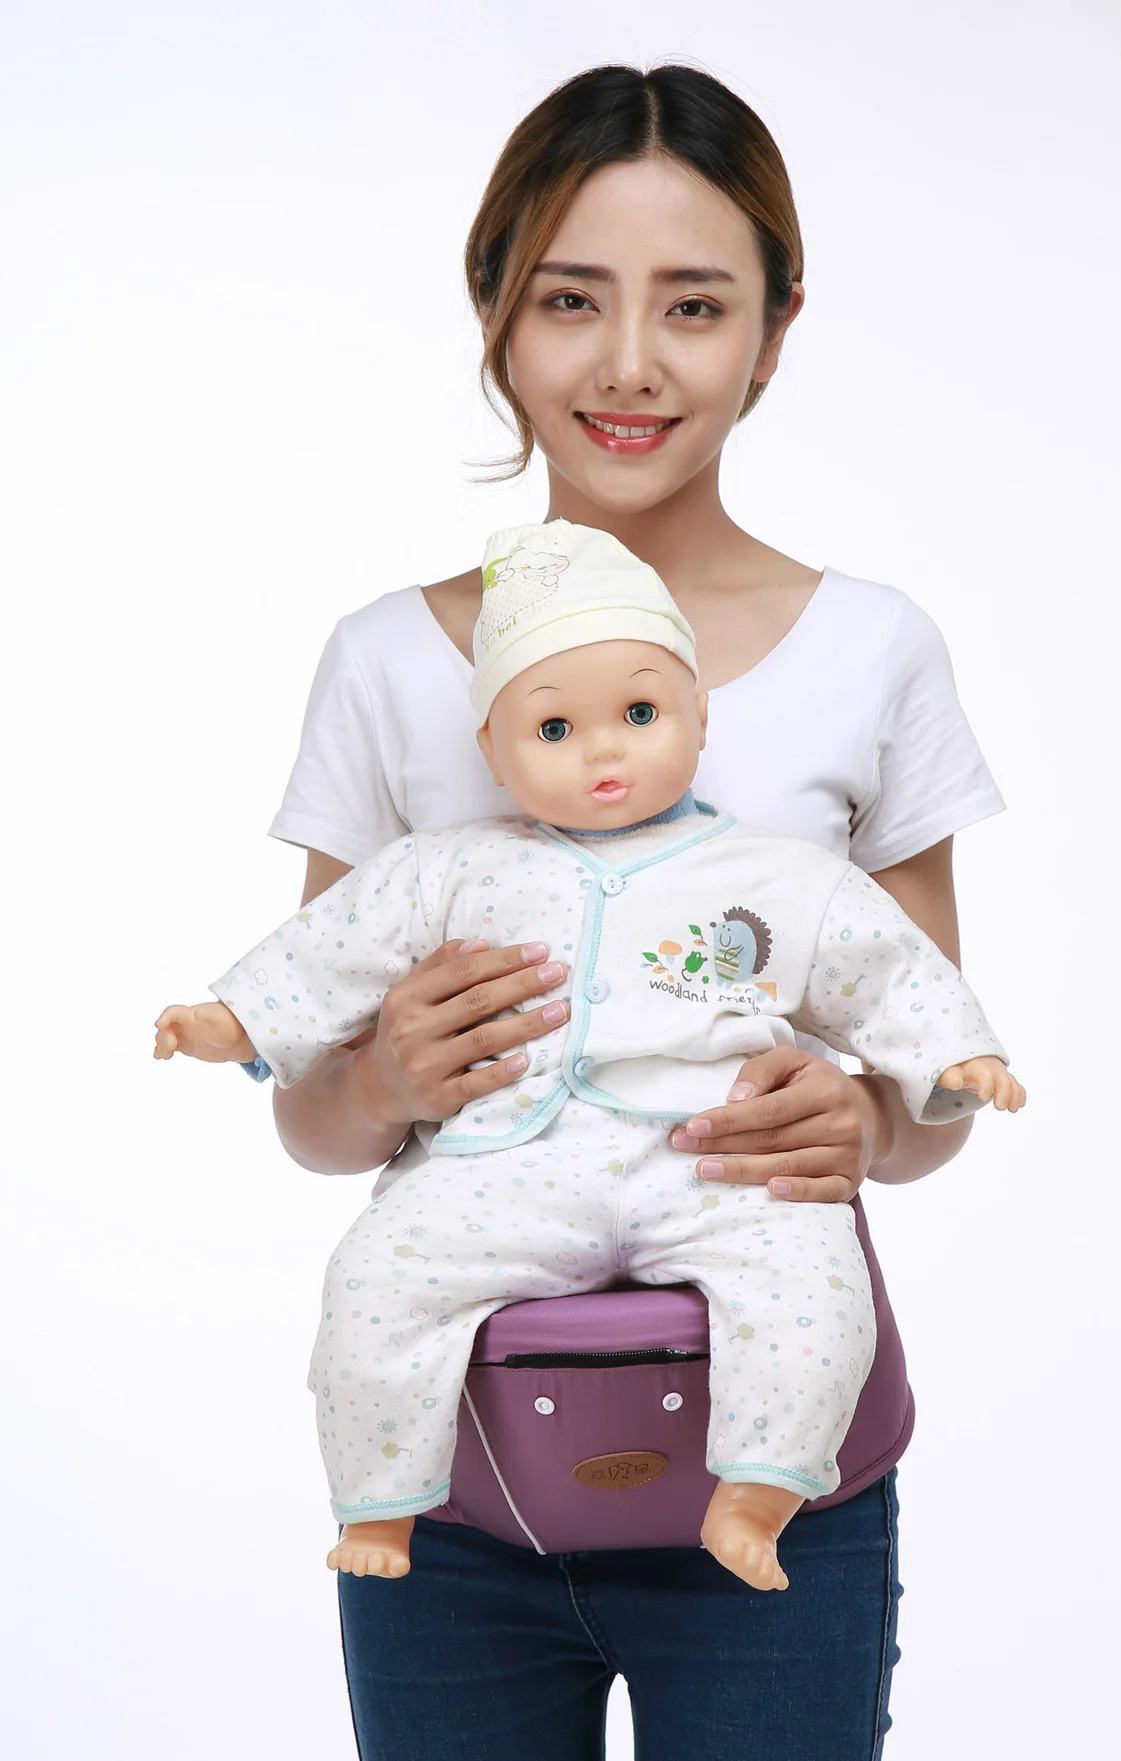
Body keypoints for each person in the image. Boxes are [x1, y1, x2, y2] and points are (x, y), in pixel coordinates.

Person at [218, 62, 1008, 1761]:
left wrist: (866, 1119)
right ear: (495, 310)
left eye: (695, 305)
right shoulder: (387, 662)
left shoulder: (873, 651)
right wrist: (386, 1077)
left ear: (775, 333)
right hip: (453, 1494)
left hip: (776, 1481)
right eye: (571, 299)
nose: (630, 363)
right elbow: (312, 1117)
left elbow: (932, 1088)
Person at [155, 520, 1021, 1595]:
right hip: (504, 1168)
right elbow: (332, 947)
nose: (604, 751)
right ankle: (380, 1499)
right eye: (555, 727)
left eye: (641, 714)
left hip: (716, 1162)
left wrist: (950, 1060)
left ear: (700, 715)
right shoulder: (446, 868)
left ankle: (759, 1488)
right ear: (493, 751)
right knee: (379, 1278)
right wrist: (236, 1019)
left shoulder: (777, 876)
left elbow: (884, 966)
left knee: (808, 1278)